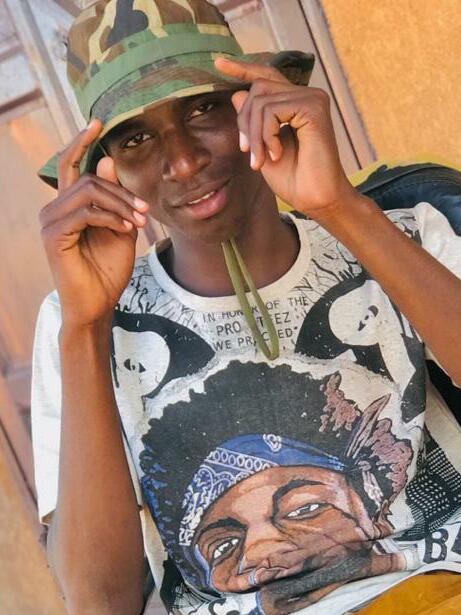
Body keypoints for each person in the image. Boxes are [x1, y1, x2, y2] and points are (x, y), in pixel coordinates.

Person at [31, 1, 461, 615]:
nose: (183, 162)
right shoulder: (78, 321)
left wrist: (338, 207)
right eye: (136, 138)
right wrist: (86, 325)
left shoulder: (408, 233)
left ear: (262, 104)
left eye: (203, 108)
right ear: (109, 172)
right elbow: (101, 602)